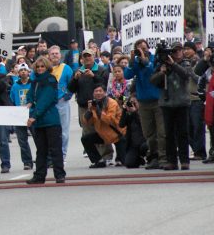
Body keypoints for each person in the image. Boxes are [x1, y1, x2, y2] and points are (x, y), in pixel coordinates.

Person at [151, 43, 197, 170]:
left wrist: (173, 65)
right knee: (169, 134)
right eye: (174, 51)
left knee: (183, 133)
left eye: (179, 50)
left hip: (182, 103)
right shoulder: (162, 64)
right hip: (167, 103)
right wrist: (162, 72)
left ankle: (184, 160)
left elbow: (186, 75)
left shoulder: (185, 63)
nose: (177, 53)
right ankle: (171, 161)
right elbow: (153, 81)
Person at [124, 40, 164, 169]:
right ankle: (153, 157)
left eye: (144, 48)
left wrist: (145, 61)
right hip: (143, 102)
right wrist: (131, 61)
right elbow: (127, 75)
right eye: (139, 49)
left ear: (148, 48)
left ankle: (163, 157)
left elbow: (153, 71)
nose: (142, 50)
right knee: (149, 133)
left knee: (161, 131)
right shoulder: (135, 62)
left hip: (157, 100)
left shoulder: (154, 58)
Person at [26, 57, 65, 184]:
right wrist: (29, 102)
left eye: (42, 66)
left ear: (47, 67)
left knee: (55, 149)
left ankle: (59, 174)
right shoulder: (35, 81)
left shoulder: (50, 79)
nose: (40, 68)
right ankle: (40, 175)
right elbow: (30, 95)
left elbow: (45, 100)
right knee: (41, 150)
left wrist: (34, 115)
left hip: (50, 119)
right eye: (38, 67)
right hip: (40, 121)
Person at [81, 86, 123, 168]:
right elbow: (87, 123)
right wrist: (89, 111)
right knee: (85, 139)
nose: (98, 93)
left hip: (118, 134)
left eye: (100, 91)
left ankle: (120, 157)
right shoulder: (93, 104)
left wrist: (98, 111)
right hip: (103, 134)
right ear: (93, 94)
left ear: (105, 92)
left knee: (126, 161)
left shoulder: (112, 103)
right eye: (96, 91)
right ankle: (98, 161)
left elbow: (110, 119)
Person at [46, 45, 75, 159]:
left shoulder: (66, 68)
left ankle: (62, 155)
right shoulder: (45, 68)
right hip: (49, 104)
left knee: (63, 131)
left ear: (60, 55)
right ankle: (51, 155)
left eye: (56, 53)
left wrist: (68, 95)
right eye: (52, 53)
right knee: (50, 130)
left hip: (62, 102)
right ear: (49, 56)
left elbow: (72, 84)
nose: (55, 55)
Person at [9, 63, 34, 170]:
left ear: (29, 72)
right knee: (22, 140)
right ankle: (27, 162)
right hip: (20, 115)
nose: (23, 72)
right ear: (18, 73)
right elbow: (12, 99)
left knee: (38, 138)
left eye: (25, 70)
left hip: (32, 113)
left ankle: (45, 159)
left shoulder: (33, 84)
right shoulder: (15, 86)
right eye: (21, 70)